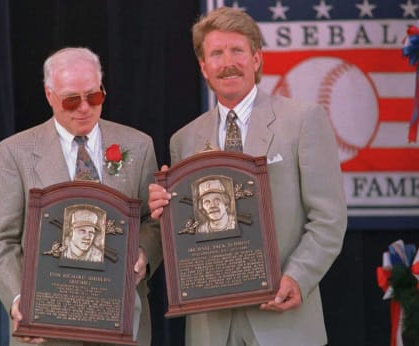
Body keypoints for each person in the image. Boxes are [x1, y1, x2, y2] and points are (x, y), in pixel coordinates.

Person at [148, 7, 347, 346]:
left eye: (237, 50)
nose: (228, 62)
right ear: (204, 67)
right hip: (210, 329)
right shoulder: (184, 140)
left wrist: (298, 278)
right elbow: (189, 231)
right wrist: (166, 211)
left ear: (256, 58)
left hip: (283, 320)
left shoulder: (302, 121)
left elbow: (328, 219)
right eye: (216, 53)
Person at [0, 47, 162, 346]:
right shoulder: (15, 152)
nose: (84, 108)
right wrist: (18, 299)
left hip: (121, 321)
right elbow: (0, 241)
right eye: (71, 100)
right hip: (46, 325)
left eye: (94, 96)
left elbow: (152, 220)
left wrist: (143, 254)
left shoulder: (138, 145)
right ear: (49, 95)